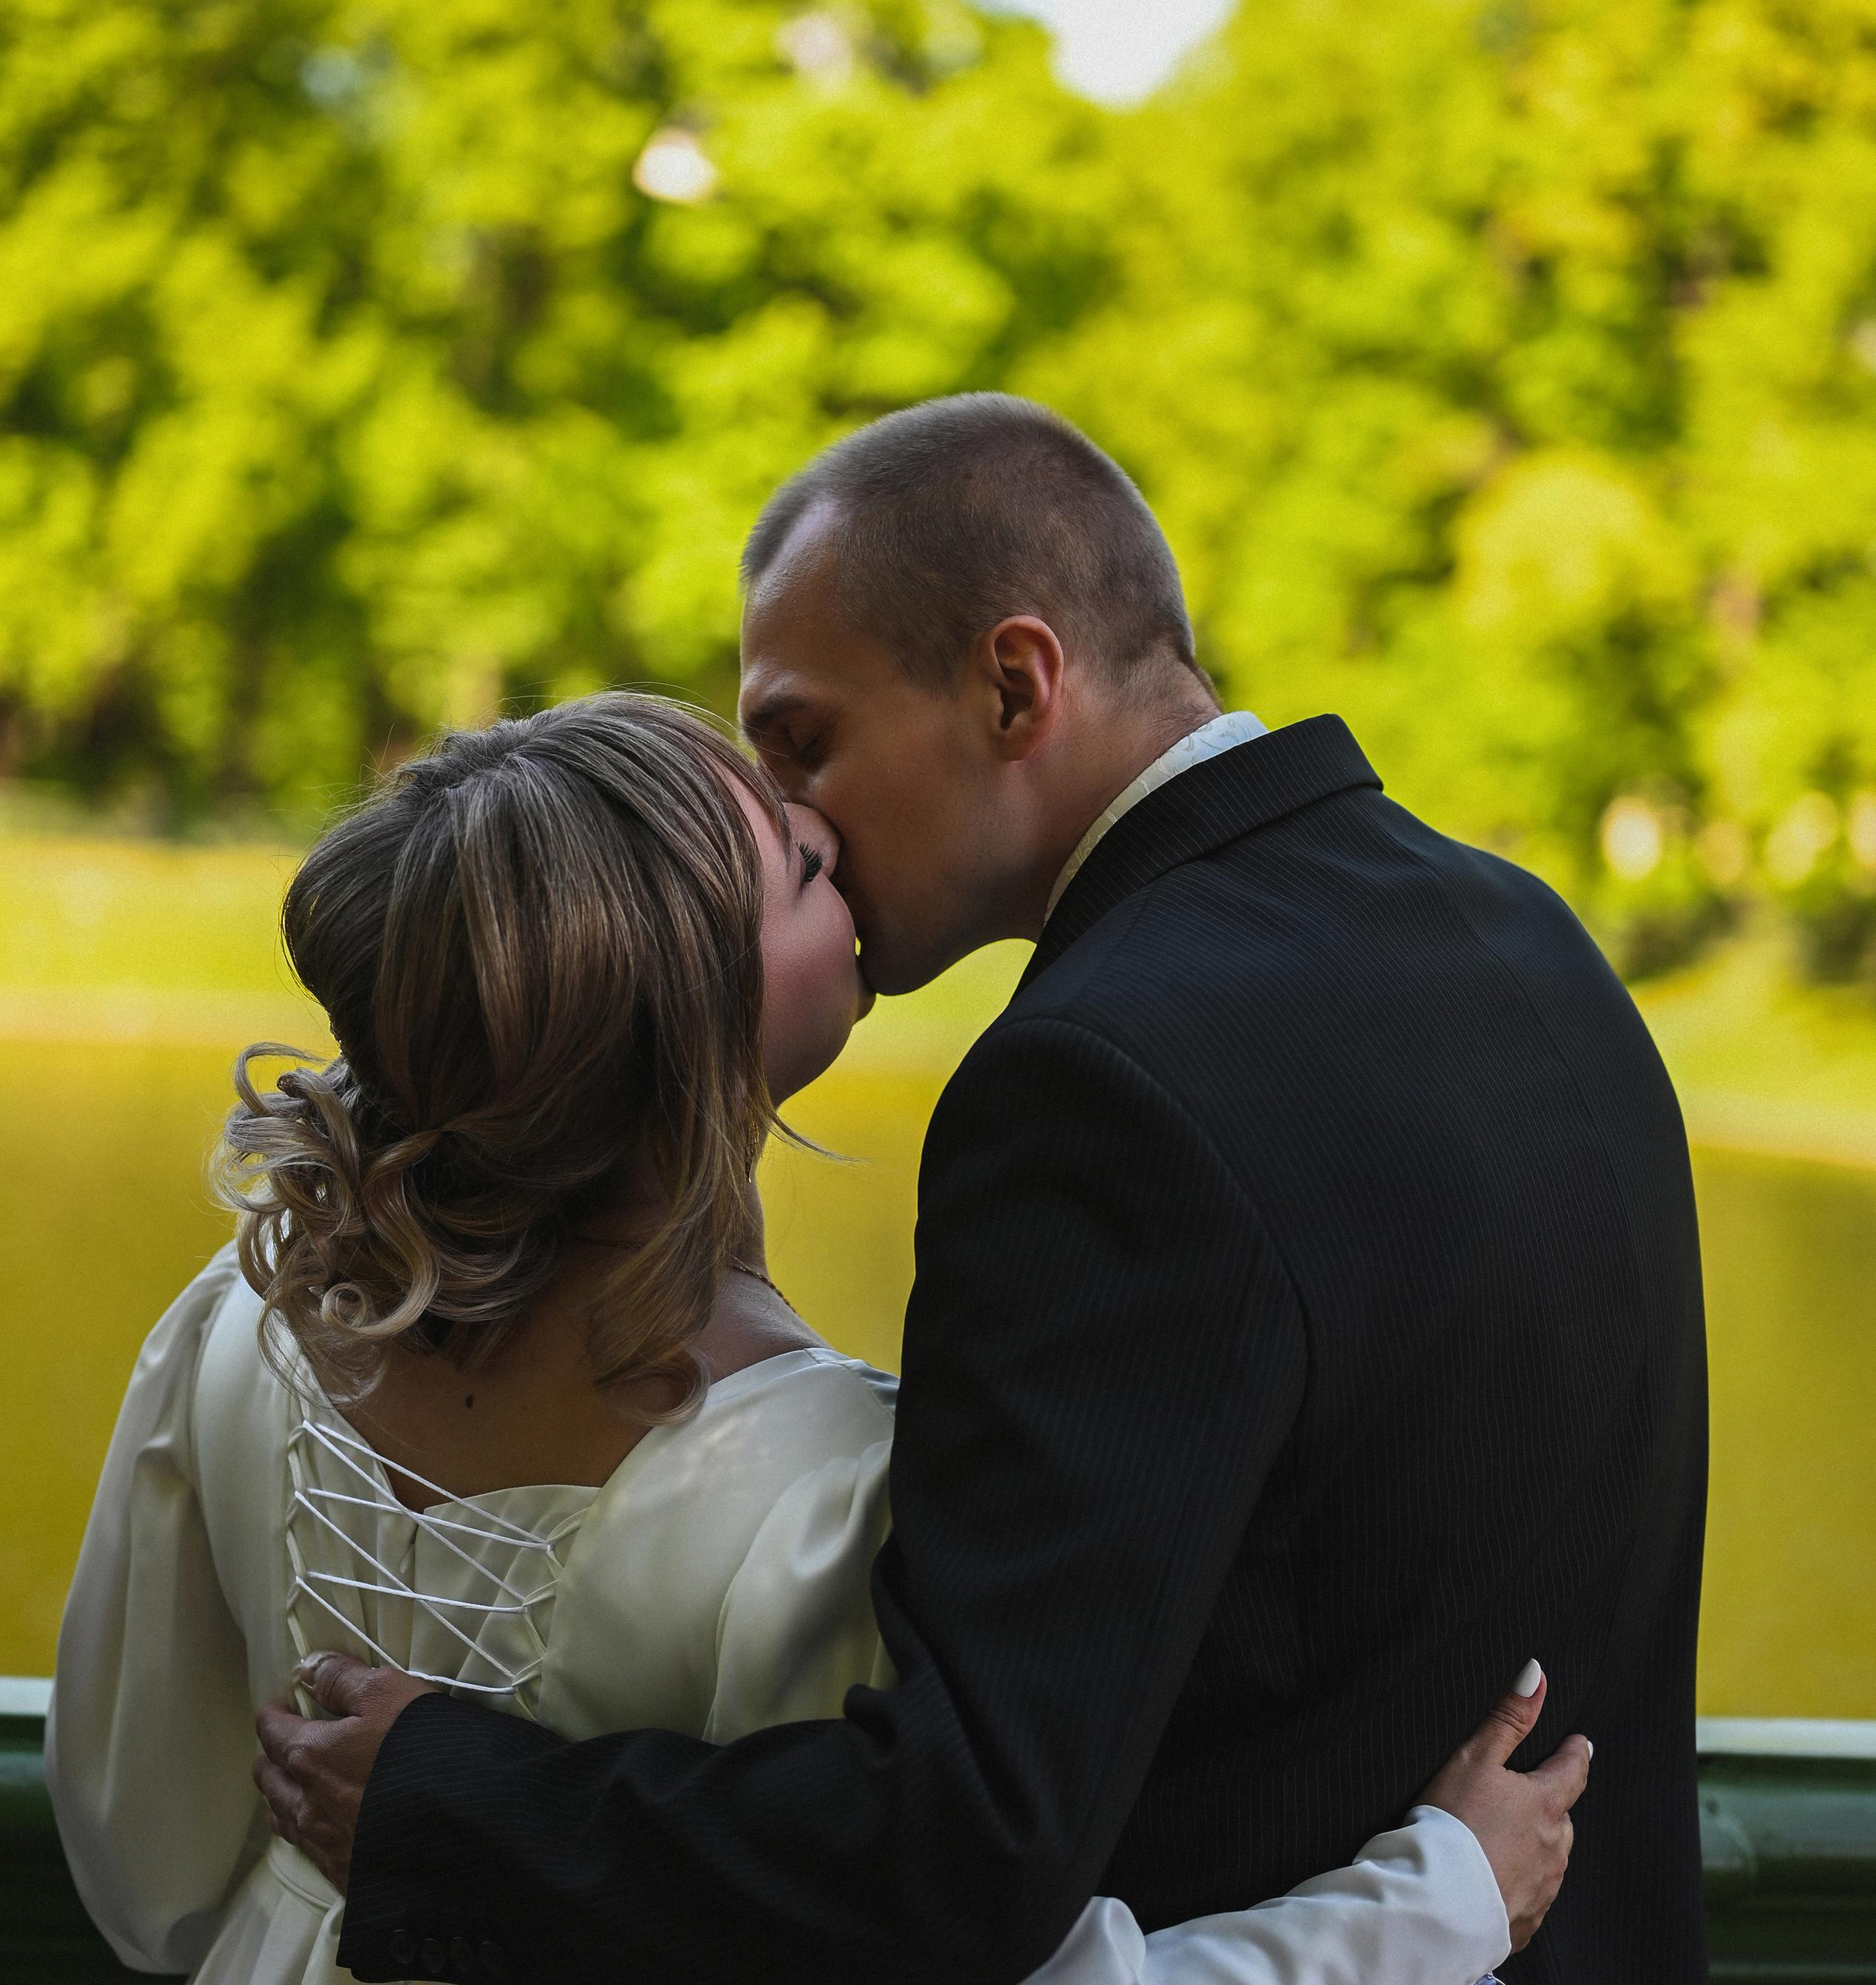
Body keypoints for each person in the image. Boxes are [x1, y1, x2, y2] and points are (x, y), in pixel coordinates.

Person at [260, 396, 1708, 1985]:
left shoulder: (1100, 1082)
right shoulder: (1521, 931)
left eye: (803, 737)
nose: (792, 816)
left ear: (1013, 683)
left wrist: (450, 1799)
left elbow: (961, 1840)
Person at [47, 696, 1581, 1985]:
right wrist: (1427, 1905)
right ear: (694, 1016)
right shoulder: (818, 1482)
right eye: (790, 864)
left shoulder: (247, 1312)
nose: (833, 842)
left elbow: (148, 1851)